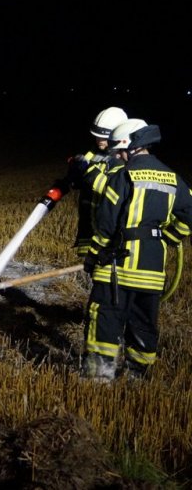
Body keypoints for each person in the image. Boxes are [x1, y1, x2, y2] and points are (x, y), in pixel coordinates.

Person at [81, 119, 192, 380]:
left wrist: (94, 255)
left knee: (105, 316)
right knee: (143, 322)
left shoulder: (123, 176)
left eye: (120, 151)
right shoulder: (172, 177)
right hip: (152, 270)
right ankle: (137, 376)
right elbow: (188, 216)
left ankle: (99, 377)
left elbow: (107, 222)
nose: (119, 157)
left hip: (118, 268)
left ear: (131, 148)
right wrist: (167, 237)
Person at [56, 106, 129, 258]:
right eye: (96, 136)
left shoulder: (125, 159)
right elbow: (82, 180)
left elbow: (113, 190)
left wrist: (87, 172)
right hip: (88, 226)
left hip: (108, 232)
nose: (99, 141)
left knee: (105, 268)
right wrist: (75, 172)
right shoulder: (93, 152)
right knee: (88, 265)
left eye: (104, 138)